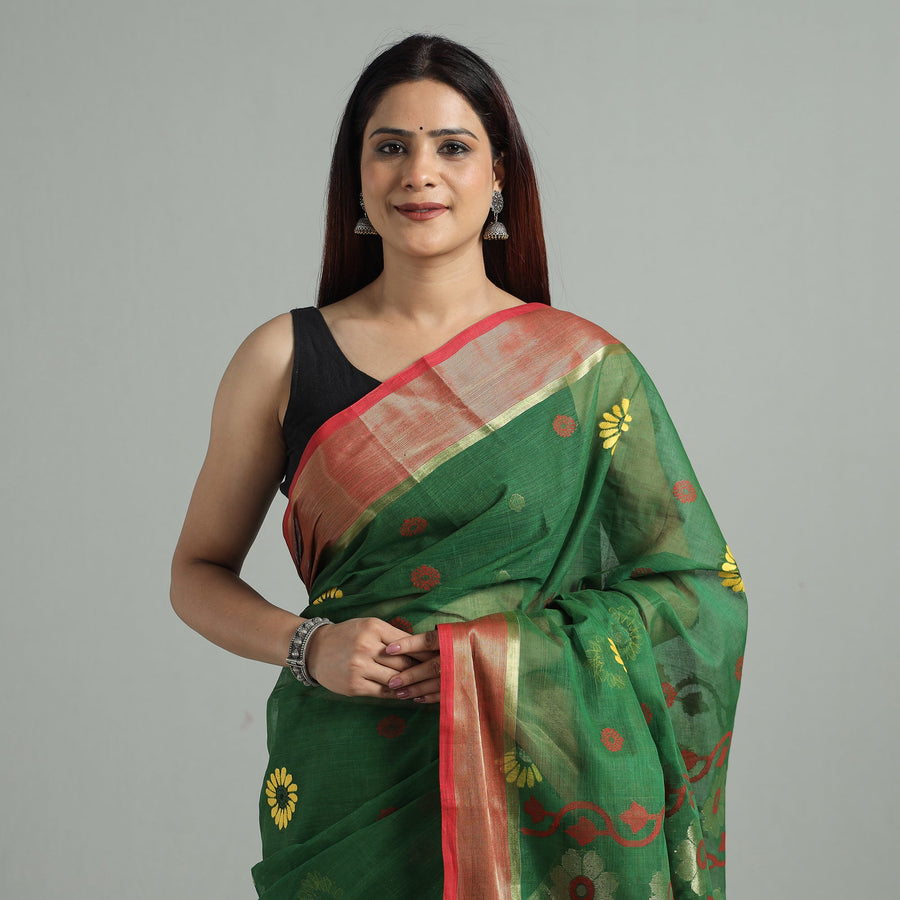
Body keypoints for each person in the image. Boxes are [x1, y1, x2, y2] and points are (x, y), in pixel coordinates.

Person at [170, 34, 747, 900]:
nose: (419, 174)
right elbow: (195, 573)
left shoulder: (584, 371)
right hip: (349, 774)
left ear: (499, 173)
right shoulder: (283, 358)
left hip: (541, 780)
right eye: (390, 147)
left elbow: (698, 591)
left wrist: (505, 660)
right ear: (356, 175)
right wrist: (309, 646)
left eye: (452, 146)